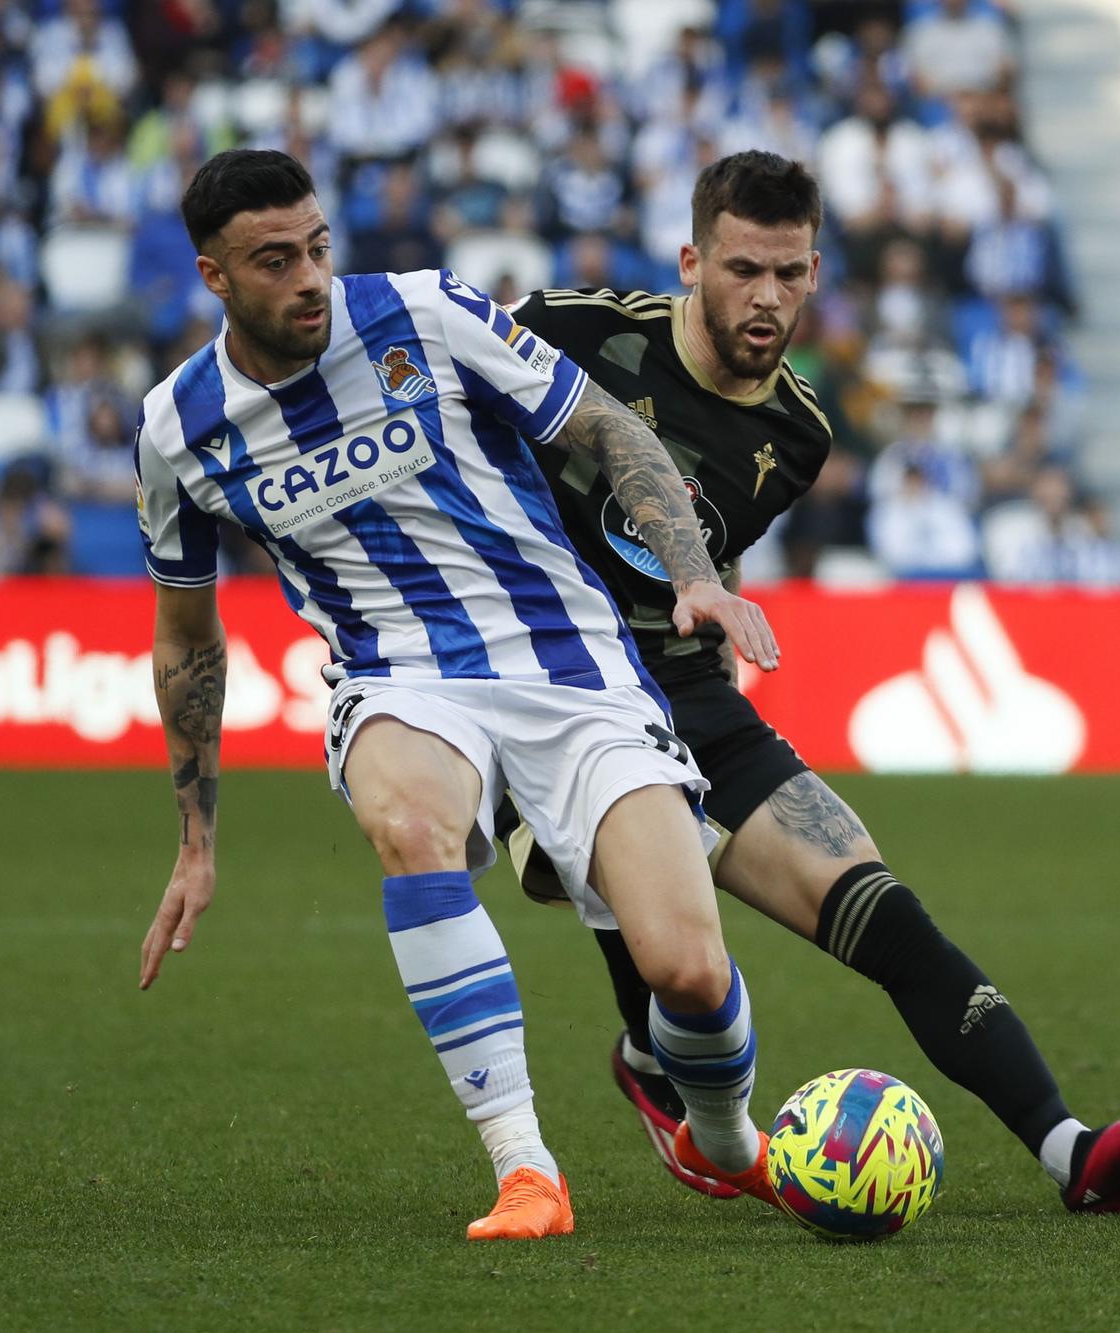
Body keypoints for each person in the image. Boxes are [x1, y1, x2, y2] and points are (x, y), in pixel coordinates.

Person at [502, 150, 1120, 1214]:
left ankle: (1073, 1150)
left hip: (689, 697)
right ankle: (654, 1058)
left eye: (788, 272)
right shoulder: (572, 330)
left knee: (882, 908)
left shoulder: (798, 431)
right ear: (691, 260)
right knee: (656, 925)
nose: (766, 297)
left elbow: (704, 548)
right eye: (742, 269)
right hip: (546, 691)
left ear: (818, 270)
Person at [132, 149, 788, 1242]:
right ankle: (525, 1167)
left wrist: (695, 578)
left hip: (569, 665)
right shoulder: (176, 429)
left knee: (682, 965)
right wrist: (195, 839)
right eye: (275, 259)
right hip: (397, 676)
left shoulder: (425, 312)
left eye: (318, 247)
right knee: (408, 819)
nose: (309, 277)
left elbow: (608, 429)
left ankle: (726, 1139)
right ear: (214, 276)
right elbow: (186, 646)